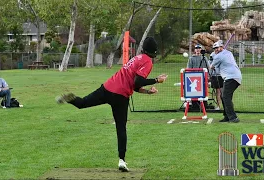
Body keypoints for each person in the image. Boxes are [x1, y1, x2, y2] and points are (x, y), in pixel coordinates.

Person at [55, 37, 168, 172]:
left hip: (108, 87)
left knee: (83, 103)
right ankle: (122, 160)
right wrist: (157, 80)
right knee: (121, 128)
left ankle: (70, 99)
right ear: (154, 52)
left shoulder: (137, 58)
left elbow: (134, 83)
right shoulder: (148, 61)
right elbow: (138, 81)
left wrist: (148, 92)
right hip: (120, 96)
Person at [210, 41, 242, 123]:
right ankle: (227, 116)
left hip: (231, 77)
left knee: (225, 97)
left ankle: (233, 117)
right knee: (224, 96)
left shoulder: (218, 56)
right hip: (235, 77)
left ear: (222, 47)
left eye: (217, 48)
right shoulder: (229, 53)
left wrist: (213, 57)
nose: (216, 50)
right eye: (214, 49)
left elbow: (211, 66)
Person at [185, 44, 210, 110]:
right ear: (194, 50)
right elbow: (188, 69)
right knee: (194, 91)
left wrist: (208, 76)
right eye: (196, 48)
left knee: (203, 91)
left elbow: (208, 68)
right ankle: (195, 105)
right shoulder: (191, 58)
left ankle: (204, 105)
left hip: (203, 78)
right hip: (194, 78)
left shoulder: (204, 58)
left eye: (199, 48)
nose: (198, 49)